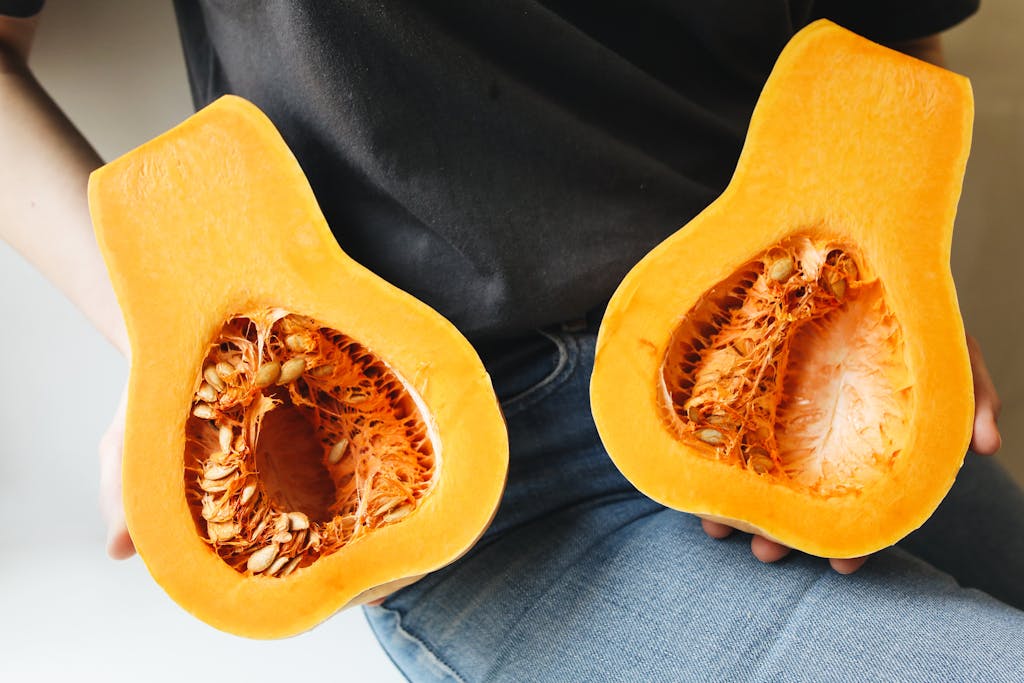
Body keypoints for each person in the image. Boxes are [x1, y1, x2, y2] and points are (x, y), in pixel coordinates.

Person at [2, 1, 1020, 679]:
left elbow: (884, 31)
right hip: (472, 490)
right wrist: (171, 331)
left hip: (796, 358)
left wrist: (887, 244)